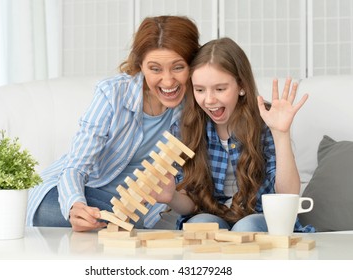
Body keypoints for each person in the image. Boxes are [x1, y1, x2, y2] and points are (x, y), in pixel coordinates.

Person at [26, 15, 200, 232]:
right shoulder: (112, 94)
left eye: (178, 67)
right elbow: (76, 166)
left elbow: (192, 190)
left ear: (193, 65)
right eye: (155, 69)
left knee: (134, 222)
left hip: (133, 209)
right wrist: (75, 205)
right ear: (141, 66)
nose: (167, 81)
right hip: (81, 191)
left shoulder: (196, 107)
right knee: (53, 209)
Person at [161, 37, 314, 232]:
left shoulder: (266, 119)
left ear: (241, 86)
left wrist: (281, 134)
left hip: (259, 219)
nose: (209, 100)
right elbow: (191, 206)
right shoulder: (185, 126)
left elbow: (287, 194)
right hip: (209, 216)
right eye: (199, 90)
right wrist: (172, 197)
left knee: (246, 226)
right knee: (200, 226)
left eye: (220, 89)